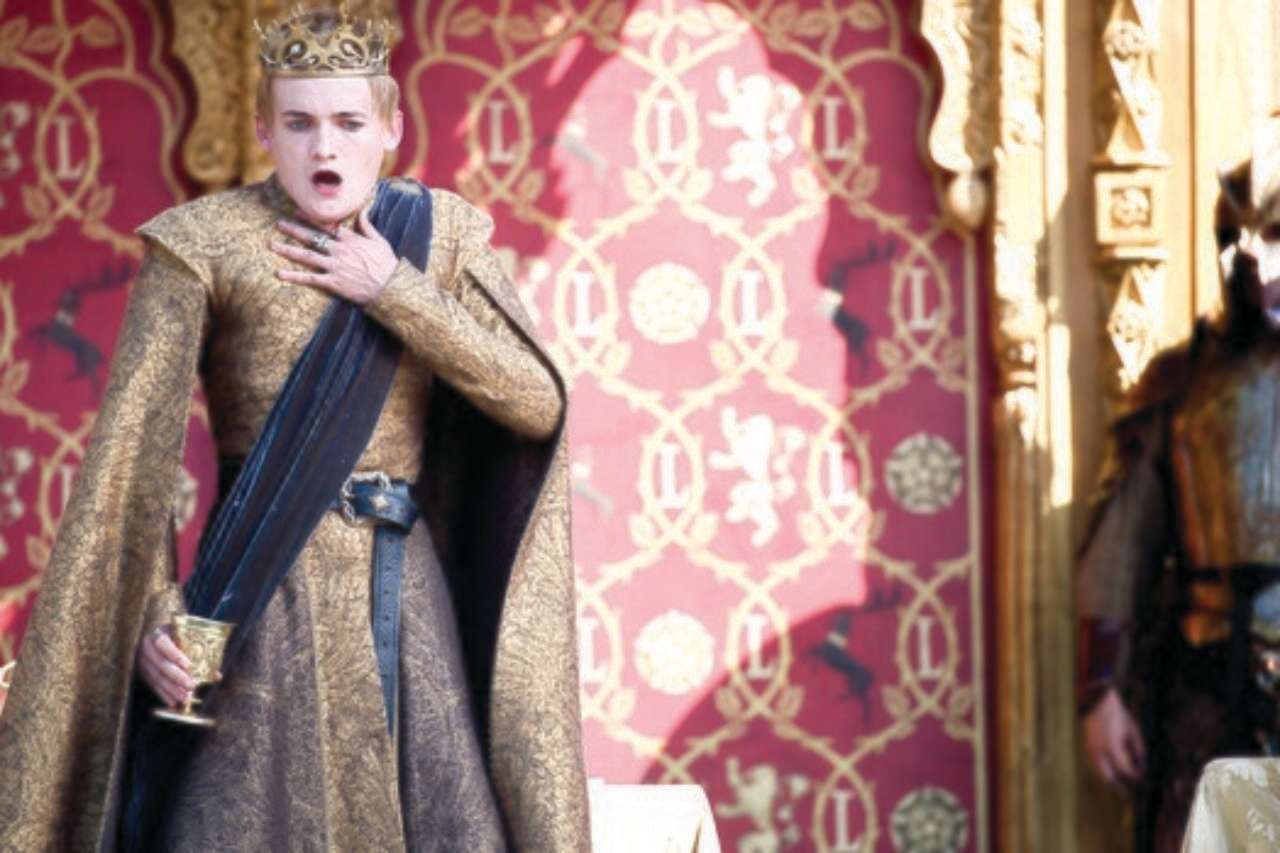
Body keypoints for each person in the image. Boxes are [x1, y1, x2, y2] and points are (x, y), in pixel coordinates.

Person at [0, 7, 588, 850]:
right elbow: (132, 463)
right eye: (300, 123)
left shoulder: (443, 236)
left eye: (349, 122)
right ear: (263, 130)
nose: (325, 148)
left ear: (390, 128)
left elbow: (537, 404)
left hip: (402, 602)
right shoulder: (201, 243)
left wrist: (393, 290)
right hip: (253, 595)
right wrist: (158, 613)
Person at [1078, 121, 1280, 852]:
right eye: (1256, 239)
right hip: (1211, 682)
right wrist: (1101, 693)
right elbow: (1122, 549)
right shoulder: (1183, 381)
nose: (1264, 261)